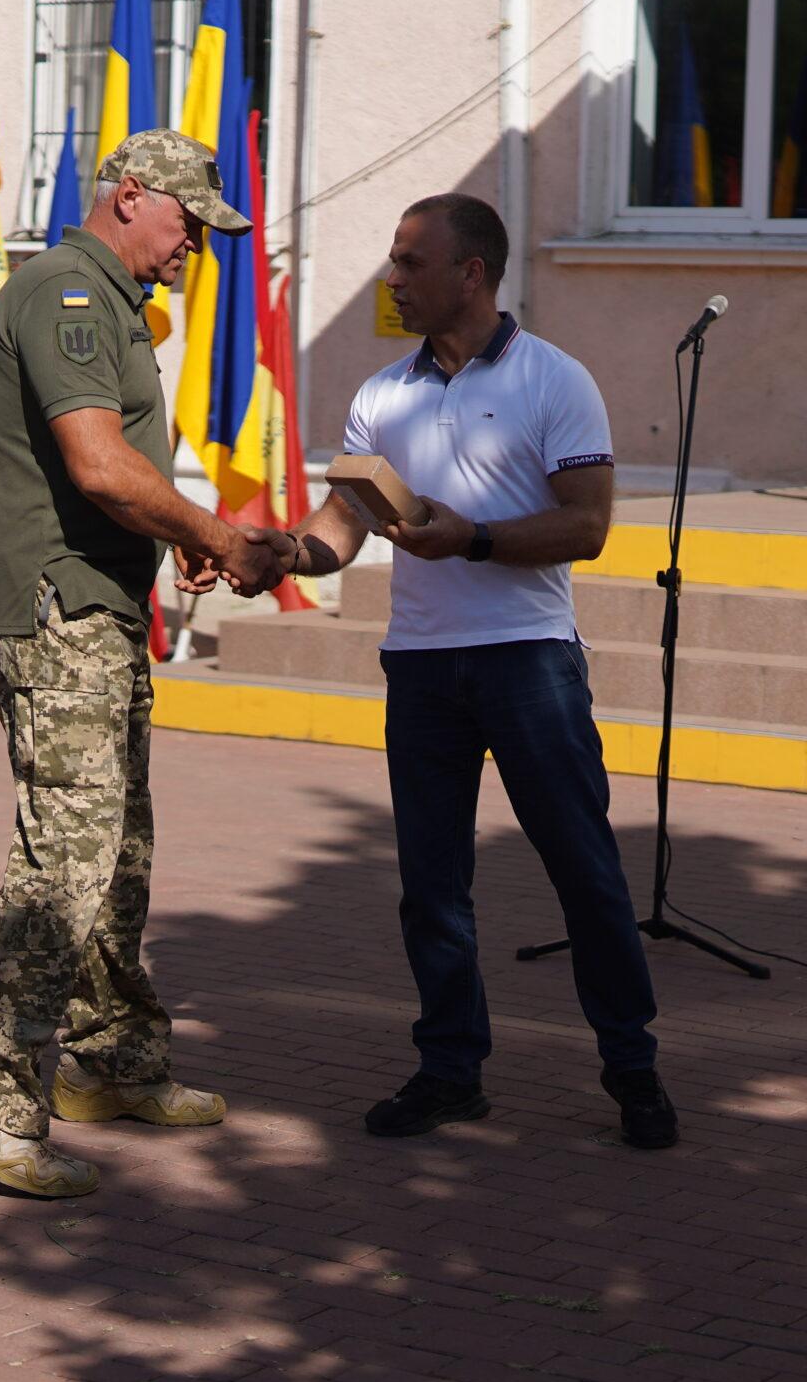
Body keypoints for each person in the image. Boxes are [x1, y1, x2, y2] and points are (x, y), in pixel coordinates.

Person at [236, 193, 680, 1149]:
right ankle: (449, 1071)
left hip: (530, 665)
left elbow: (589, 526)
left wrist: (471, 537)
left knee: (583, 870)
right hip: (423, 670)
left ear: (469, 273)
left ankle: (632, 1068)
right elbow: (343, 527)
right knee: (430, 884)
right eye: (393, 261)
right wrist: (283, 553)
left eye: (408, 262)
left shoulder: (556, 380)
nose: (391, 280)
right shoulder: (379, 396)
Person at [0, 128, 285, 1199]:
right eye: (185, 225)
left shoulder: (111, 304)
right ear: (132, 198)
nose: (193, 249)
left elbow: (110, 473)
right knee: (65, 855)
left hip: (101, 602)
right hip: (56, 612)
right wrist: (214, 534)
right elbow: (94, 460)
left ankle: (112, 1062)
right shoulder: (66, 295)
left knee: (117, 845)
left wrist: (168, 532)